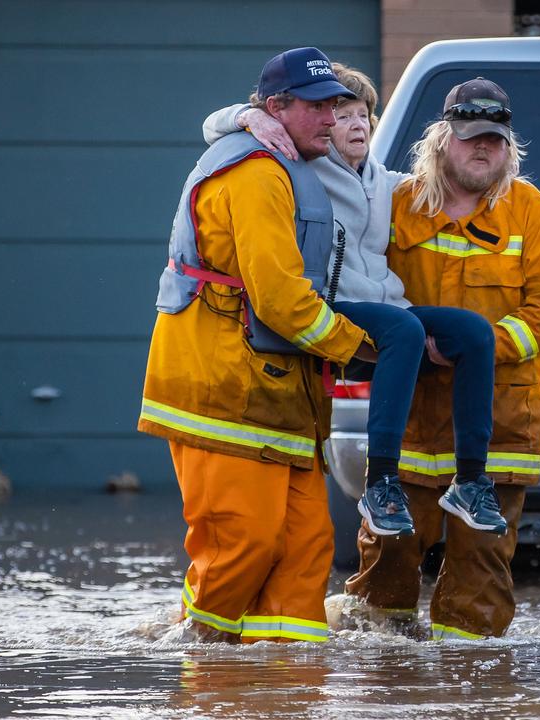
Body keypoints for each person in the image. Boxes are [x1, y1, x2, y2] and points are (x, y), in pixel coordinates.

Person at [202, 64, 507, 537]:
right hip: (329, 308)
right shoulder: (300, 168)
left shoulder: (385, 182)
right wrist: (248, 116)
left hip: (385, 310)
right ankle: (380, 482)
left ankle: (469, 480)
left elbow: (457, 179)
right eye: (342, 115)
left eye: (364, 114)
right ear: (322, 125)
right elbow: (211, 127)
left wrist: (488, 154)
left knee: (473, 332)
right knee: (402, 329)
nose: (356, 124)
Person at [138, 47, 375, 643]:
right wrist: (365, 347)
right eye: (318, 106)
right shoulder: (256, 173)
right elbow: (281, 301)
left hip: (276, 396)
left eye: (337, 105)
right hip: (223, 390)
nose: (331, 117)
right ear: (275, 108)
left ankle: (284, 681)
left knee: (306, 548)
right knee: (240, 541)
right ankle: (201, 666)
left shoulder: (286, 157)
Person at [344, 77, 540, 640]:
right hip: (411, 423)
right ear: (441, 139)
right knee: (386, 566)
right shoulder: (396, 206)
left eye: (494, 141)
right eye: (471, 137)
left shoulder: (533, 214)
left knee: (481, 577)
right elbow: (356, 281)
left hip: (498, 425)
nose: (483, 149)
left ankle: (473, 685)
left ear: (508, 147)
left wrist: (477, 349)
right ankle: (386, 682)